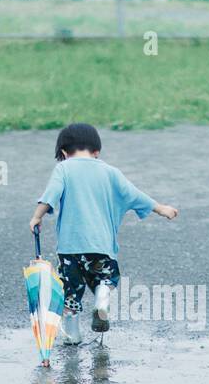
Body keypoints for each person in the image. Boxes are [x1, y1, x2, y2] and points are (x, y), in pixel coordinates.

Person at [28, 123, 178, 344]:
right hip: (101, 247)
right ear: (96, 151)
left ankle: (72, 336)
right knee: (106, 279)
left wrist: (37, 217)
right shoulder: (110, 172)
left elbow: (51, 194)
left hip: (70, 249)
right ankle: (102, 299)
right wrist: (161, 208)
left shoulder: (63, 169)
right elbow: (134, 195)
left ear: (63, 152)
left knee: (71, 293)